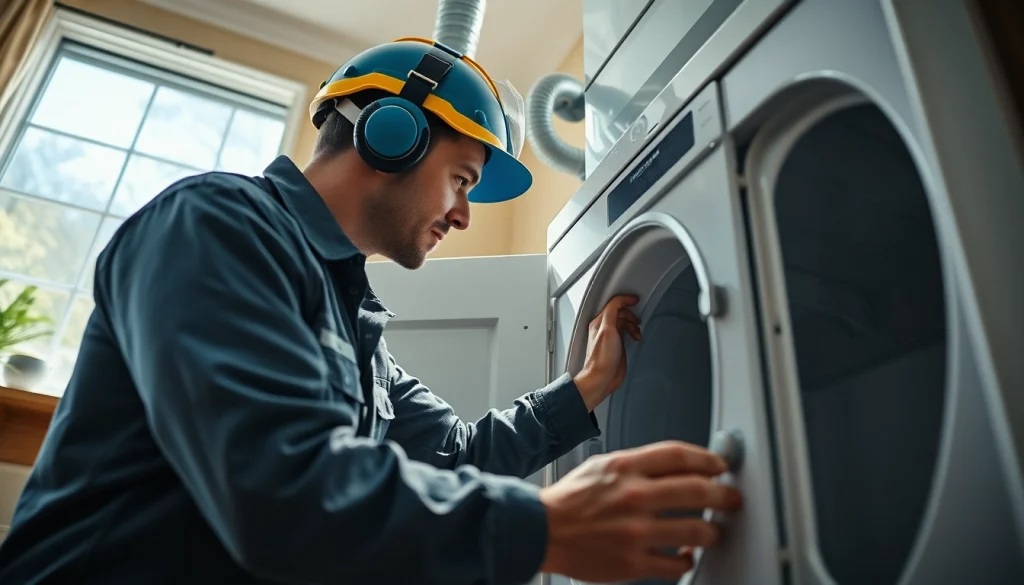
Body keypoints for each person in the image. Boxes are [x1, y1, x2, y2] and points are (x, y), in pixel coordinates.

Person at [0, 38, 741, 584]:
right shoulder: (213, 227)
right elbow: (279, 487)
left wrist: (585, 386)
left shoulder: (357, 325)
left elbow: (453, 455)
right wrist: (541, 524)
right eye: (461, 179)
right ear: (393, 135)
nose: (463, 215)